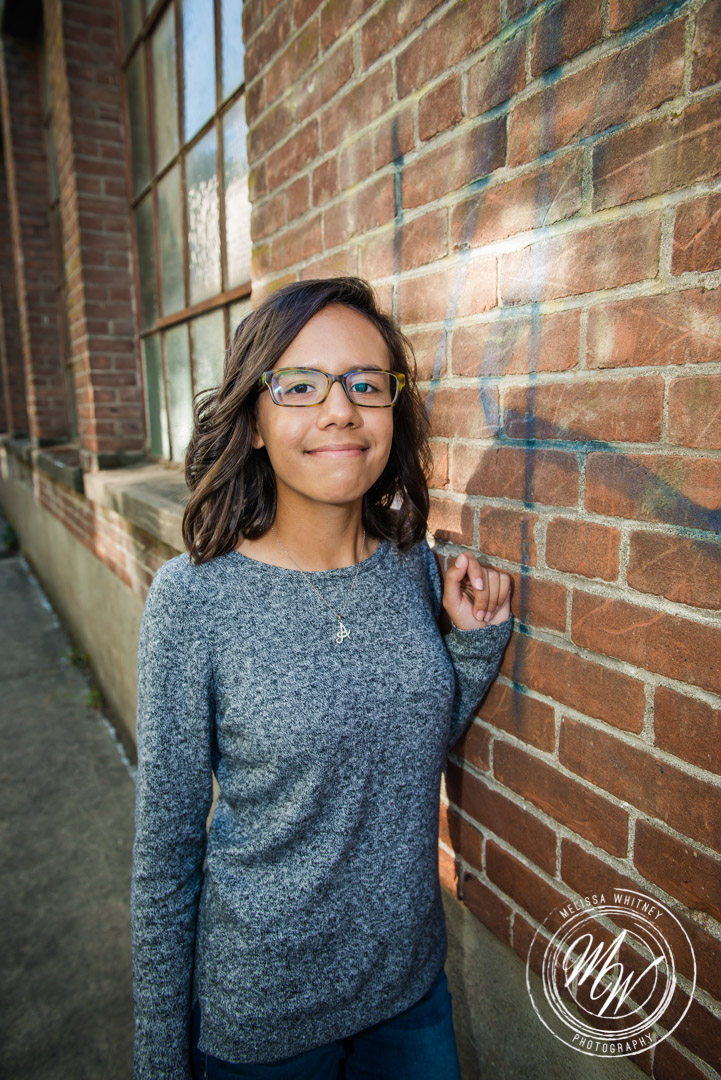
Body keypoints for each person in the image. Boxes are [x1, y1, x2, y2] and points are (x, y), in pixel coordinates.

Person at [131, 276, 513, 1080]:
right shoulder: (194, 600)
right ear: (254, 421)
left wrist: (474, 646)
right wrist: (160, 1063)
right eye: (300, 385)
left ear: (391, 411)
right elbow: (165, 855)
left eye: (365, 384)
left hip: (409, 991)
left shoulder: (411, 565)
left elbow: (400, 750)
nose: (340, 410)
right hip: (267, 1021)